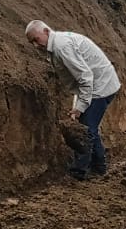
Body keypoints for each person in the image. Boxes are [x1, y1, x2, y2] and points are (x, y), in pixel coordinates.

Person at [25, 20, 121, 181]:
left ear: (46, 31)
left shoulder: (62, 47)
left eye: (36, 39)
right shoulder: (56, 45)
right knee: (89, 127)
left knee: (85, 131)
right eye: (32, 42)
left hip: (101, 87)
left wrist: (80, 107)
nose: (35, 45)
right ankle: (99, 166)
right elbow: (78, 78)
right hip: (97, 85)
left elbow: (85, 77)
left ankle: (79, 171)